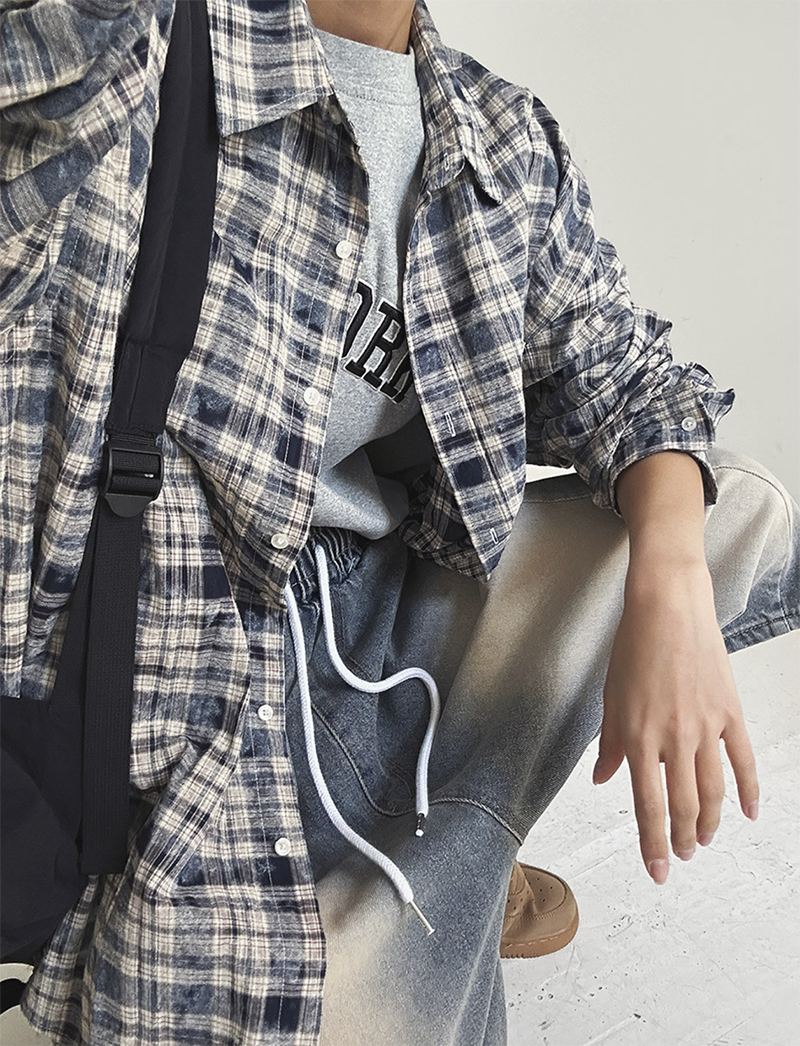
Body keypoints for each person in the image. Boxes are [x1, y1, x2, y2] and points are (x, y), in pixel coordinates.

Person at [1, 0, 798, 1043]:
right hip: (185, 662)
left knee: (725, 506)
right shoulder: (132, 49)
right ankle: (434, 857)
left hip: (376, 609)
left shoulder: (495, 139)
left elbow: (629, 382)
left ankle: (434, 843)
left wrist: (673, 586)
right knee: (341, 998)